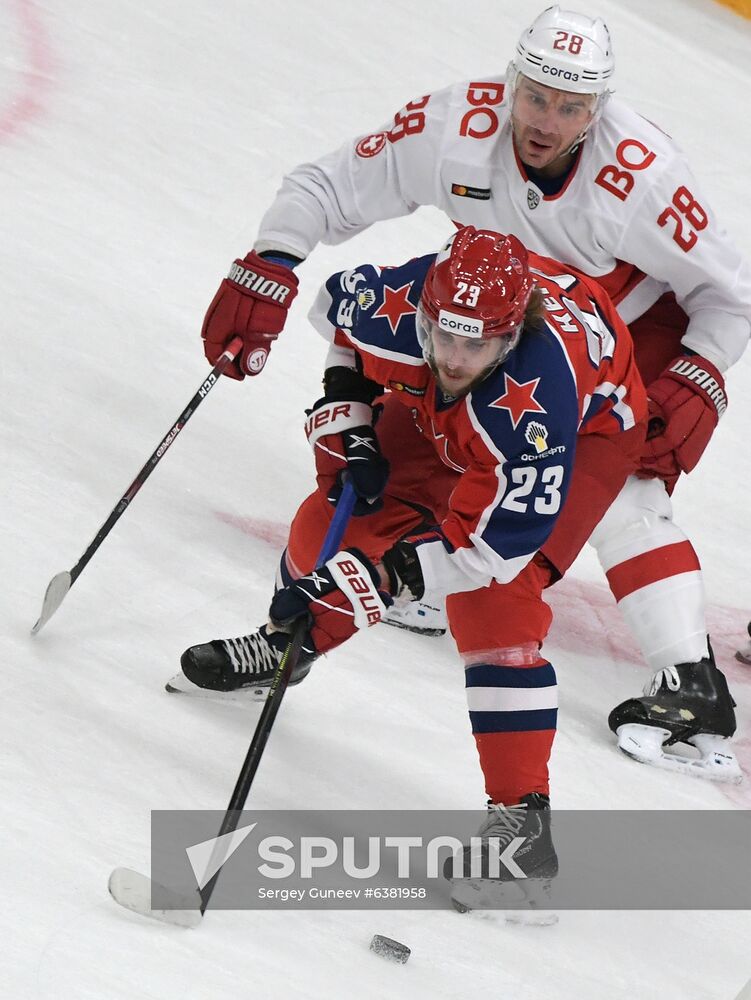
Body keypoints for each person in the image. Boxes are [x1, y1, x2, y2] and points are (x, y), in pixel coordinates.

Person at [194, 6, 749, 779]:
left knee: (610, 493)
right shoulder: (454, 124)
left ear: (597, 109)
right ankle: (319, 626)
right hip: (483, 324)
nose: (547, 120)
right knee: (390, 472)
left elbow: (730, 291)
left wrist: (700, 372)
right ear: (512, 81)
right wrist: (272, 259)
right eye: (536, 96)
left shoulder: (639, 176)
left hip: (618, 335)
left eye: (571, 105)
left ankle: (689, 679)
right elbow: (329, 187)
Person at [175, 226, 648, 903]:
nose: (454, 358)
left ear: (509, 339)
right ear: (424, 315)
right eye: (444, 337)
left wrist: (385, 576)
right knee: (340, 513)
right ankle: (290, 646)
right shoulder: (403, 305)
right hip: (469, 408)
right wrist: (355, 414)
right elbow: (336, 320)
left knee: (496, 606)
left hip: (590, 431)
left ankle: (522, 823)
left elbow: (486, 550)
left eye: (475, 344)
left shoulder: (537, 401)